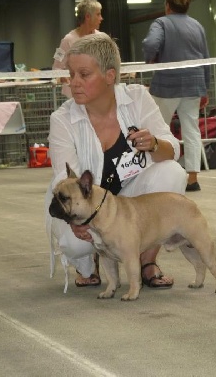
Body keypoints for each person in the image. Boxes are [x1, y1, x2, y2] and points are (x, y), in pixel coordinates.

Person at [45, 32, 187, 291]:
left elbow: (174, 149)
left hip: (128, 202)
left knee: (172, 173)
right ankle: (90, 263)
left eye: (83, 74)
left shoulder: (138, 98)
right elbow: (62, 179)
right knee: (76, 245)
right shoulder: (61, 119)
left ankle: (147, 261)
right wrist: (74, 220)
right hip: (82, 203)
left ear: (110, 76)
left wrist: (155, 144)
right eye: (71, 73)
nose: (73, 82)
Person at [142, 0, 210, 192]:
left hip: (167, 85)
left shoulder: (162, 22)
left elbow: (151, 43)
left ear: (167, 6)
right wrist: (205, 87)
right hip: (194, 84)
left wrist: (151, 58)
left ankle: (159, 173)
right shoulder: (197, 26)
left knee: (157, 128)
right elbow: (207, 58)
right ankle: (192, 178)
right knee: (191, 130)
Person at [52, 0, 103, 98]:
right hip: (74, 96)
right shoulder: (67, 41)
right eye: (98, 14)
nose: (101, 18)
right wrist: (64, 78)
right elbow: (56, 67)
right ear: (88, 17)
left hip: (96, 94)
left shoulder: (102, 38)